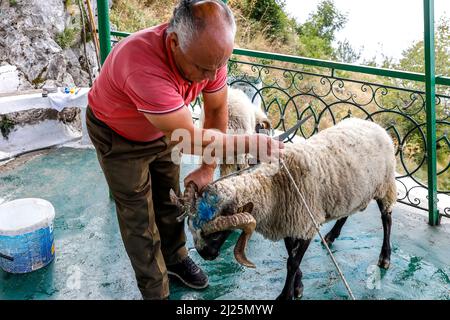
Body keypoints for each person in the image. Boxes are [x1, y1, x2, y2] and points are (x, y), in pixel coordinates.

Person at [86, 0, 283, 300]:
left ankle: (176, 258)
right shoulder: (141, 63)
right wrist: (249, 143)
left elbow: (216, 111)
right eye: (203, 68)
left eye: (217, 67)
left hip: (162, 129)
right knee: (139, 216)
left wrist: (207, 169)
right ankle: (156, 291)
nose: (209, 76)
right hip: (118, 135)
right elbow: (189, 137)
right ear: (175, 42)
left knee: (170, 198)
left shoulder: (209, 55)